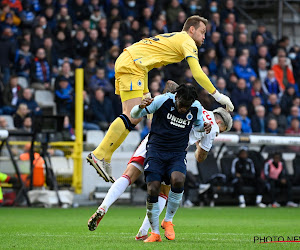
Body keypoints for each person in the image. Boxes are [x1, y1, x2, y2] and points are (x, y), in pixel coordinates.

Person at [86, 15, 234, 183]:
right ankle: (99, 154)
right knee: (132, 116)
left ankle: (104, 156)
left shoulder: (176, 38)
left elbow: (148, 54)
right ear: (191, 30)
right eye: (202, 32)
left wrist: (146, 91)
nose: (204, 36)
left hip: (132, 61)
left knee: (132, 116)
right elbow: (197, 72)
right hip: (134, 64)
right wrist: (218, 95)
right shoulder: (187, 41)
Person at [87, 81, 233, 241]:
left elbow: (170, 84)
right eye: (221, 131)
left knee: (129, 175)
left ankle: (103, 207)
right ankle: (144, 231)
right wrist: (201, 142)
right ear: (219, 123)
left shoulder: (198, 107)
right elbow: (200, 157)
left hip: (153, 139)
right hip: (172, 150)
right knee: (164, 191)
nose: (218, 133)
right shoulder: (209, 125)